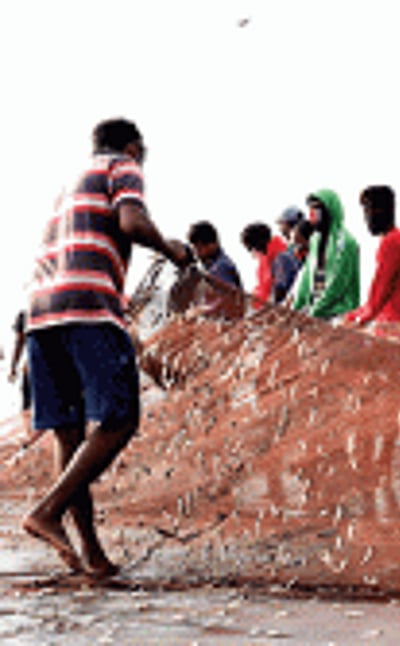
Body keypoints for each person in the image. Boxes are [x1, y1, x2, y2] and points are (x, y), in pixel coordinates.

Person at [22, 117, 192, 577]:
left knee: (70, 434)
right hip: (88, 306)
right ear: (133, 147)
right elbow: (132, 221)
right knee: (120, 420)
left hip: (41, 314)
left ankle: (91, 556)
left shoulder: (69, 185)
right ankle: (47, 511)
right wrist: (171, 249)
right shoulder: (123, 166)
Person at [345, 185, 400, 326]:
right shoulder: (394, 238)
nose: (366, 218)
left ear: (381, 211)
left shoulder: (391, 242)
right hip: (397, 319)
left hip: (397, 323)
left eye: (368, 210)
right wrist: (351, 317)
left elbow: (378, 297)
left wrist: (352, 321)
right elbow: (374, 299)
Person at [290, 189, 360, 320]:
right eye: (311, 208)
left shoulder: (346, 242)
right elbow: (307, 279)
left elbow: (338, 284)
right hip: (317, 312)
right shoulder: (315, 240)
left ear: (329, 210)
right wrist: (295, 309)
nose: (313, 214)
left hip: (340, 313)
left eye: (317, 208)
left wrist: (315, 311)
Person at [240, 222, 299, 305]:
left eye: (250, 248)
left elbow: (280, 291)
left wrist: (265, 311)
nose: (251, 252)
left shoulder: (281, 259)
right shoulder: (265, 259)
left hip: (280, 310)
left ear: (258, 245)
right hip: (264, 307)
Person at [187, 221, 242, 289]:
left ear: (212, 244)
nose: (196, 254)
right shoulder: (214, 265)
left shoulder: (220, 267)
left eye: (199, 248)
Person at [9, 310, 29, 419]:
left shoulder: (25, 313)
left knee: (27, 409)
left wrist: (13, 367)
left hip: (32, 368)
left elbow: (19, 342)